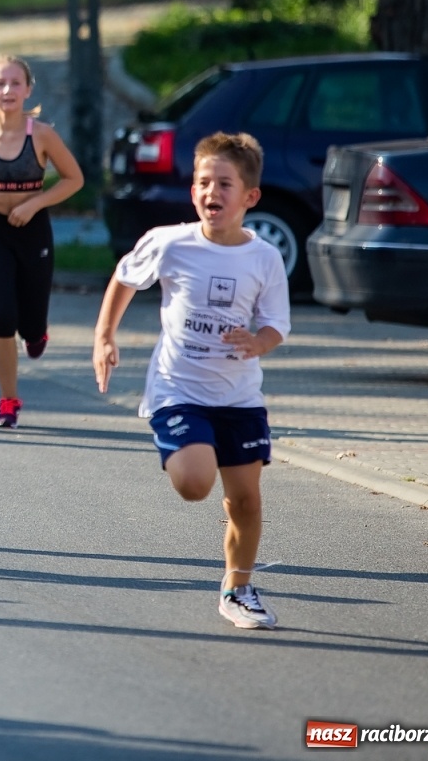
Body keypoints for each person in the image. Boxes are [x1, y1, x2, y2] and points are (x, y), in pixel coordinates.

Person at [93, 132, 290, 630]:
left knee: (245, 500)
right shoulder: (170, 243)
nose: (211, 192)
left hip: (240, 395)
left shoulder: (264, 258)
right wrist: (104, 337)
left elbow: (276, 325)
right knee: (195, 482)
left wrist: (256, 343)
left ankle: (238, 589)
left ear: (250, 197)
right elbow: (124, 277)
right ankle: (183, 443)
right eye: (203, 181)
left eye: (224, 183)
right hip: (177, 390)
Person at [0, 56, 85, 429]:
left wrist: (36, 202)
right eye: (0, 83)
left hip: (34, 230)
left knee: (30, 321)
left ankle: (37, 331)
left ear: (28, 89)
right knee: (1, 317)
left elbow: (74, 179)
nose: (7, 90)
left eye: (15, 83)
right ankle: (8, 401)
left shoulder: (41, 135)